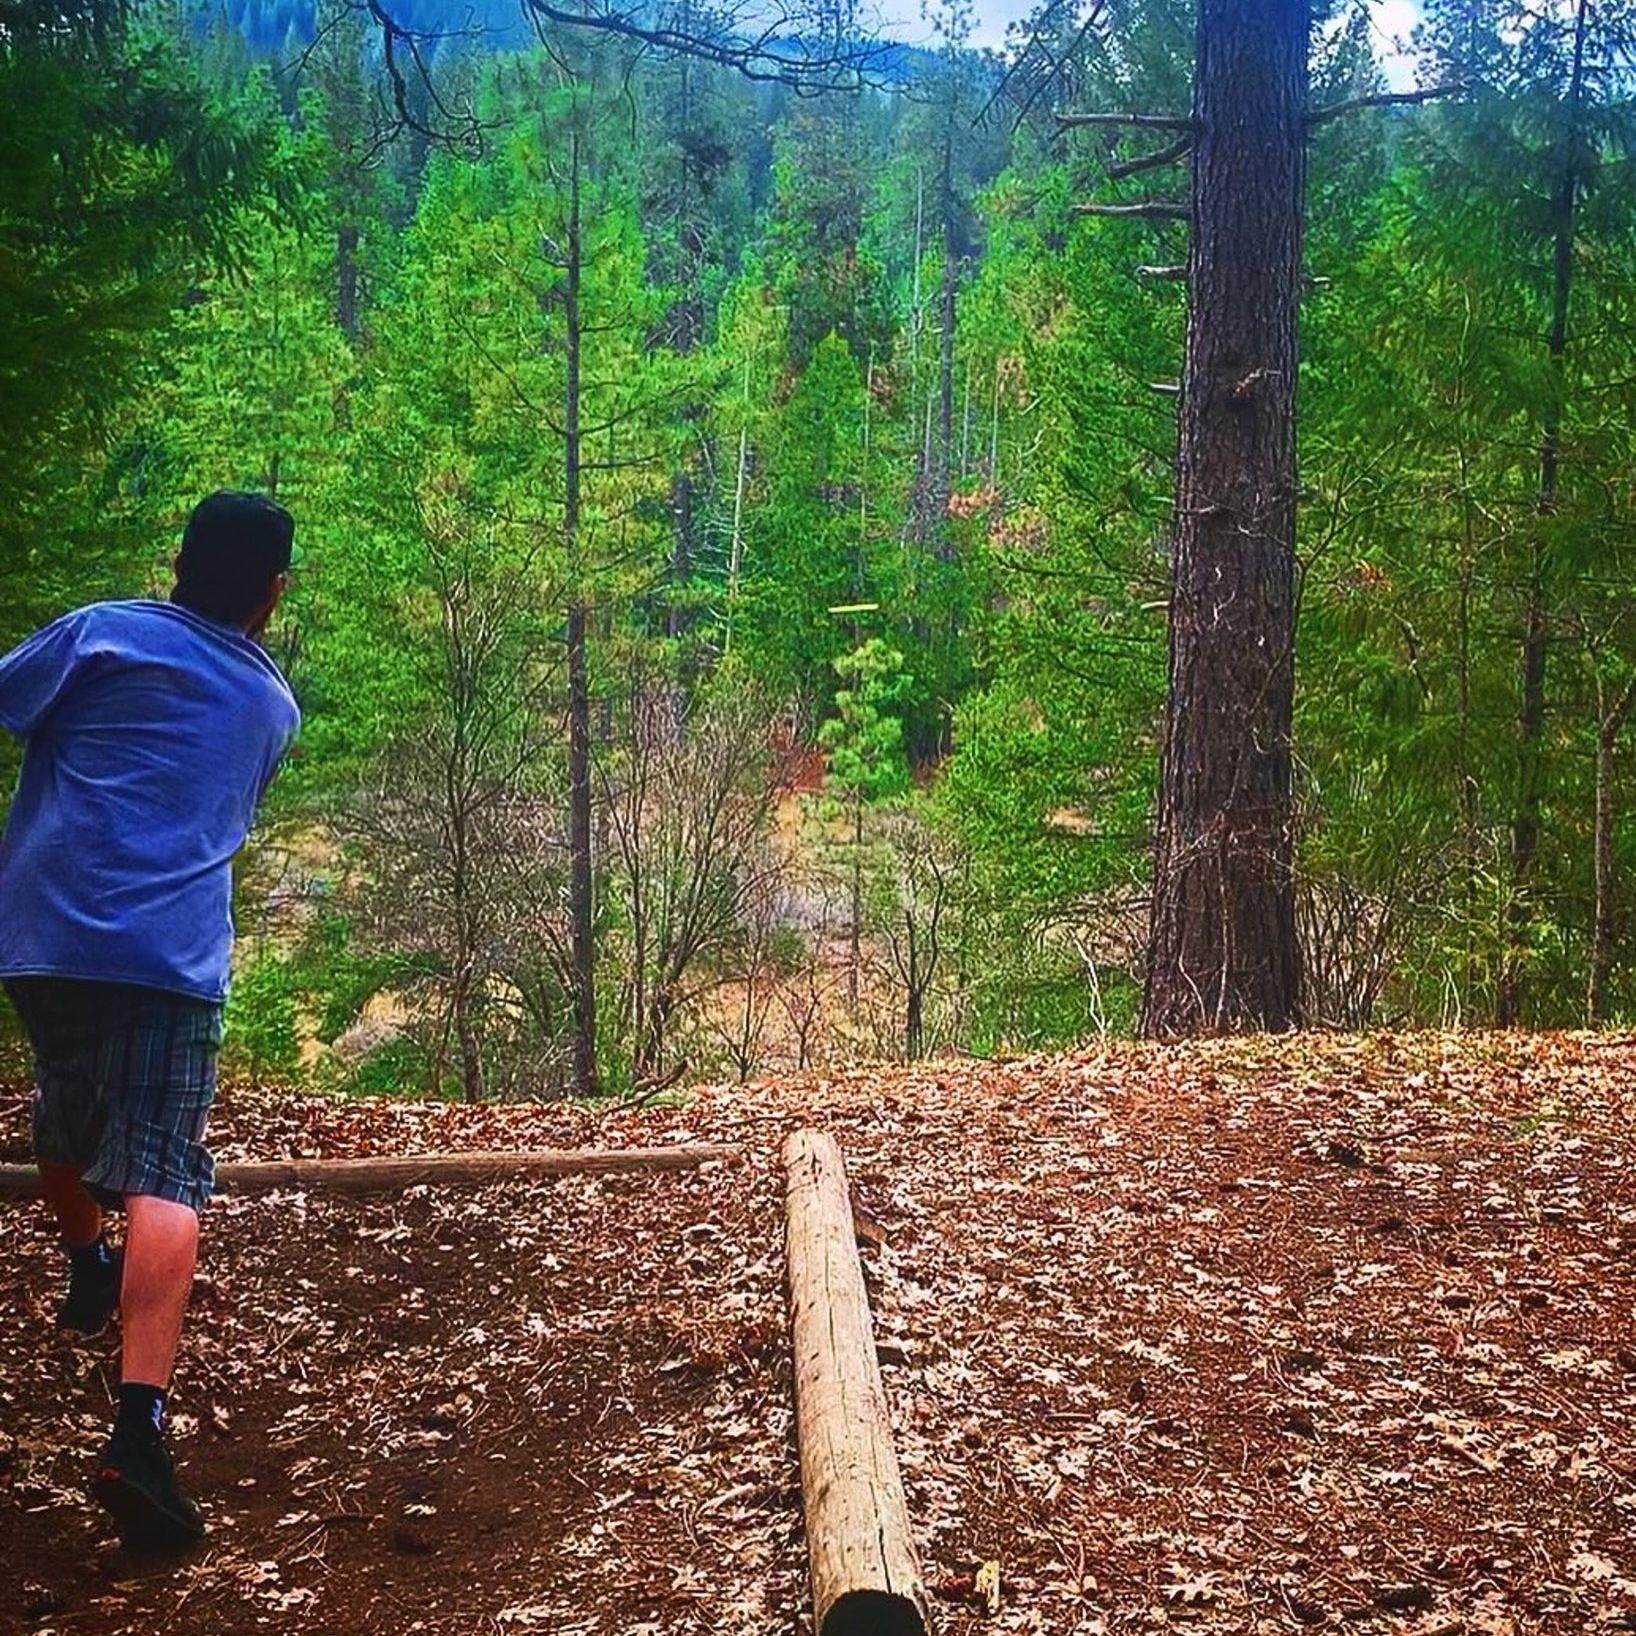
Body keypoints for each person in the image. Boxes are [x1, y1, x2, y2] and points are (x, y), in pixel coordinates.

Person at [0, 491, 300, 1551]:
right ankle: (138, 1430)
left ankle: (87, 1265)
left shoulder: (99, 633)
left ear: (176, 563)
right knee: (165, 1170)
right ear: (273, 592)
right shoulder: (271, 708)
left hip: (40, 933)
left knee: (65, 1113)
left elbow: (12, 700)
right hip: (167, 957)